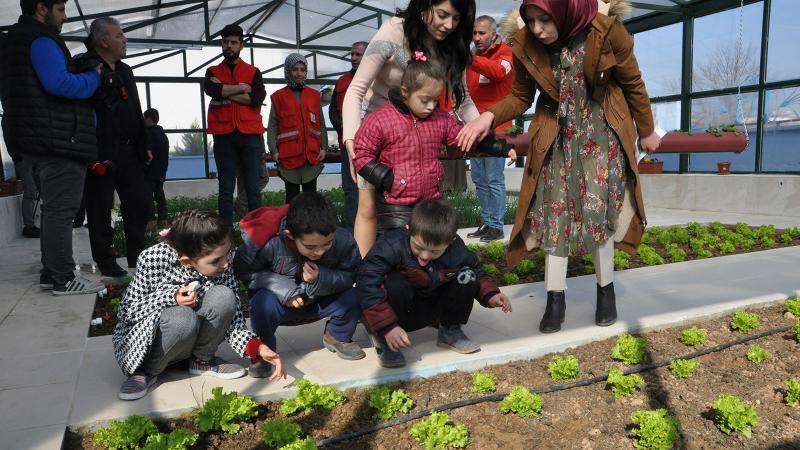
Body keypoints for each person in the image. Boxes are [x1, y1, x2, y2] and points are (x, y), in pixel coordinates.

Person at [457, 0, 662, 333]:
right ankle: (555, 299)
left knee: (598, 214)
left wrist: (648, 129)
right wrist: (488, 116)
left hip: (601, 134)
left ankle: (605, 292)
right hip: (556, 138)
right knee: (555, 216)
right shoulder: (525, 44)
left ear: (567, 11)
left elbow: (632, 83)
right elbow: (521, 96)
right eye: (531, 20)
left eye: (544, 20)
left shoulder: (608, 33)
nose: (537, 29)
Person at [341, 0, 480, 257]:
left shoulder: (450, 46)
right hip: (375, 129)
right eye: (442, 14)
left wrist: (480, 129)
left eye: (457, 19)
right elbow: (357, 88)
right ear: (425, 5)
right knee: (368, 205)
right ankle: (366, 276)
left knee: (422, 209)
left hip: (417, 128)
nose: (449, 25)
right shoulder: (393, 31)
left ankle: (415, 272)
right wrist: (351, 141)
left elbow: (464, 101)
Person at [113, 209, 284, 401]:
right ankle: (146, 370)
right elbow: (129, 311)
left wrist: (257, 348)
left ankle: (201, 360)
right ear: (186, 260)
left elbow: (233, 317)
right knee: (182, 317)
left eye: (228, 254)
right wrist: (172, 297)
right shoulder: (153, 258)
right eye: (216, 261)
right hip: (152, 342)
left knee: (224, 295)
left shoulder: (223, 260)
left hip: (187, 340)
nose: (226, 263)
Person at [0, 0, 105, 295]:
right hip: (56, 139)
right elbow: (59, 84)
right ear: (41, 9)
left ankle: (51, 273)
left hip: (35, 138)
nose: (64, 16)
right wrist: (92, 78)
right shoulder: (40, 39)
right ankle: (62, 277)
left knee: (53, 209)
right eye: (59, 9)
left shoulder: (13, 41)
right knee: (61, 211)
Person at [353, 58, 516, 233]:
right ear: (405, 92)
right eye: (425, 100)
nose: (431, 106)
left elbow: (464, 138)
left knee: (447, 249)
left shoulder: (442, 119)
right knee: (399, 252)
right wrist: (386, 178)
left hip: (433, 203)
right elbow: (362, 155)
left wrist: (500, 148)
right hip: (396, 207)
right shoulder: (379, 120)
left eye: (436, 100)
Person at [357, 199, 512, 368]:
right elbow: (367, 283)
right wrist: (387, 326)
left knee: (468, 275)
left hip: (429, 307)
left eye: (435, 251)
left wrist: (491, 294)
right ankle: (383, 338)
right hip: (397, 310)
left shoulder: (456, 248)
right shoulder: (390, 246)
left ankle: (450, 329)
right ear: (409, 229)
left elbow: (476, 269)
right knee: (394, 283)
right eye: (418, 247)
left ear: (450, 241)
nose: (424, 256)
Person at [234, 193, 365, 376]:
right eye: (310, 247)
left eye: (327, 244)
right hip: (281, 306)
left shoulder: (344, 241)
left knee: (357, 294)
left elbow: (352, 274)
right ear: (290, 235)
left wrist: (321, 278)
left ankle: (337, 335)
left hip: (320, 301)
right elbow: (245, 272)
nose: (319, 252)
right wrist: (285, 290)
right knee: (261, 302)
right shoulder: (269, 242)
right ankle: (265, 352)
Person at [78, 17, 152, 277]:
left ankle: (137, 256)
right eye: (120, 35)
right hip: (101, 151)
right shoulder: (84, 67)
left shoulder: (125, 70)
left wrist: (144, 145)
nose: (125, 39)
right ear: (104, 40)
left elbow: (135, 109)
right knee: (99, 207)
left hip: (131, 150)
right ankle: (106, 261)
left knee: (140, 203)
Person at [204, 24, 266, 223]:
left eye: (233, 42)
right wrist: (241, 88)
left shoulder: (253, 71)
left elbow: (257, 98)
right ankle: (226, 238)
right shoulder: (211, 71)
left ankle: (258, 236)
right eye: (225, 42)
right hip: (223, 136)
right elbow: (212, 91)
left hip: (250, 136)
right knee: (225, 190)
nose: (228, 46)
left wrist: (225, 89)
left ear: (241, 45)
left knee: (253, 189)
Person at [465, 15, 515, 243]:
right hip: (475, 128)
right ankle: (488, 223)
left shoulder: (505, 53)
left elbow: (498, 73)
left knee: (493, 178)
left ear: (494, 34)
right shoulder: (473, 58)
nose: (477, 38)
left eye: (482, 33)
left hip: (498, 128)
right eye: (474, 33)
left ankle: (496, 225)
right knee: (479, 178)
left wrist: (469, 59)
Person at [268, 53, 327, 204]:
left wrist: (324, 147)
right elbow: (272, 125)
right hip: (289, 157)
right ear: (288, 71)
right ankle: (291, 227)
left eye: (302, 69)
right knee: (292, 199)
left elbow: (321, 122)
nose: (299, 73)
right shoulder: (278, 97)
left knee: (311, 199)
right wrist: (273, 150)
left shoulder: (314, 95)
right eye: (295, 69)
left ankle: (312, 227)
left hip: (311, 156)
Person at [329, 41, 368, 229]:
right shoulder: (342, 81)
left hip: (371, 146)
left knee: (371, 189)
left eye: (358, 55)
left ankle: (374, 229)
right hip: (348, 146)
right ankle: (353, 230)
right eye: (352, 54)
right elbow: (332, 111)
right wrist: (345, 128)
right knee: (351, 189)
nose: (353, 58)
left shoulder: (375, 80)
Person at [143, 108, 169, 228]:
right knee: (160, 196)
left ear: (148, 119)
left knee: (148, 197)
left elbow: (148, 154)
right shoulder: (163, 136)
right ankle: (163, 220)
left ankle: (151, 222)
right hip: (161, 171)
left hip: (150, 172)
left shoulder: (148, 134)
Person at [13, 154, 40, 238]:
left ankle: (30, 225)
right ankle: (29, 226)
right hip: (23, 158)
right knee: (30, 191)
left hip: (27, 159)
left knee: (32, 191)